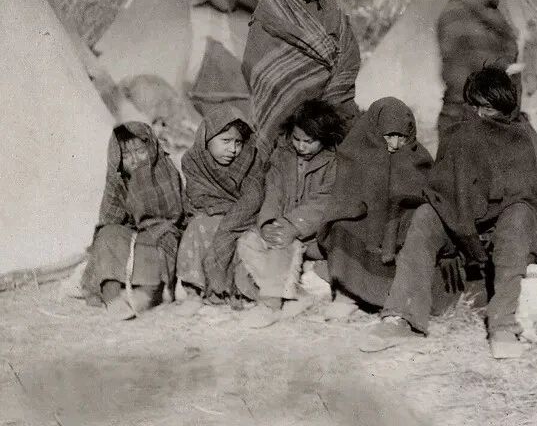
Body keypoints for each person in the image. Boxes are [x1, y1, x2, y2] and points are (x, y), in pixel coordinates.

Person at [360, 67, 537, 360]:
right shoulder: (457, 135)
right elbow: (444, 194)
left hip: (503, 228)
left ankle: (502, 325)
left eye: (488, 108)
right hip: (462, 224)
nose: (479, 115)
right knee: (425, 215)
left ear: (504, 109)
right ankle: (401, 318)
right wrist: (453, 243)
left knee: (519, 216)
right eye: (474, 107)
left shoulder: (519, 138)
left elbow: (524, 196)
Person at [316, 97, 433, 315]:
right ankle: (347, 294)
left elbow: (423, 199)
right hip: (364, 222)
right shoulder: (355, 152)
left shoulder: (418, 157)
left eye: (401, 137)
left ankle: (387, 296)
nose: (395, 144)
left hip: (398, 227)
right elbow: (344, 196)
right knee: (342, 228)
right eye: (389, 136)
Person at [241, 0, 361, 152]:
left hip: (333, 102)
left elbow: (349, 56)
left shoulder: (332, 16)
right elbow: (253, 66)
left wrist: (326, 97)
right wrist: (291, 85)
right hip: (280, 109)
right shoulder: (269, 16)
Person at [234, 99, 343, 324]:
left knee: (282, 244)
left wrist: (292, 225)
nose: (301, 146)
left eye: (309, 141)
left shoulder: (334, 163)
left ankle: (270, 304)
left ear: (324, 137)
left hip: (313, 235)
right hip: (281, 224)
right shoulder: (282, 157)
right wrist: (268, 222)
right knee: (248, 242)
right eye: (296, 139)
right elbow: (273, 192)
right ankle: (296, 295)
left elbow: (324, 202)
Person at [81, 123, 183, 320]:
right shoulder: (118, 179)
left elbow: (174, 215)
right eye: (126, 156)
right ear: (117, 159)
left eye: (140, 152)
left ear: (151, 148)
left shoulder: (164, 171)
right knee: (107, 234)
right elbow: (109, 219)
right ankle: (112, 296)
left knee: (158, 240)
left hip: (161, 231)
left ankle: (146, 294)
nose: (135, 160)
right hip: (131, 235)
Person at [177, 105, 263, 304]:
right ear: (207, 138)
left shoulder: (250, 160)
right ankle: (195, 291)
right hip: (213, 215)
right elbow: (198, 197)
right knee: (198, 227)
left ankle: (230, 289)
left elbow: (253, 199)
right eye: (226, 141)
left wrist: (228, 217)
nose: (233, 149)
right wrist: (223, 210)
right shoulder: (193, 161)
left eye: (238, 142)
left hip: (244, 219)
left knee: (239, 237)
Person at [436, 0, 523, 143]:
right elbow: (466, 73)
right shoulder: (456, 16)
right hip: (467, 121)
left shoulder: (486, 13)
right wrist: (506, 68)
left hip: (492, 117)